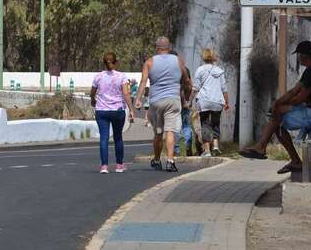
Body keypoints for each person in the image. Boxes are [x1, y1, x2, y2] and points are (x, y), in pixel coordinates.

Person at [240, 41, 311, 174]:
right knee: (277, 114)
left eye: (298, 55)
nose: (298, 58)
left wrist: (281, 105)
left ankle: (267, 149)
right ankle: (264, 147)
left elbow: (299, 99)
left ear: (303, 56)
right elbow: (293, 91)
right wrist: (278, 103)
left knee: (277, 119)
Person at [135, 37, 192, 173]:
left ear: (157, 48)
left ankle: (156, 159)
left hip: (156, 102)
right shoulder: (178, 61)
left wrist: (138, 99)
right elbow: (187, 81)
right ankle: (170, 161)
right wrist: (186, 98)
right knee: (170, 131)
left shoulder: (149, 62)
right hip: (173, 100)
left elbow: (143, 81)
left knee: (158, 133)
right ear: (169, 48)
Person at [90, 52, 135, 174]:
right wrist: (131, 109)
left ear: (103, 63)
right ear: (116, 62)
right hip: (117, 111)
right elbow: (126, 93)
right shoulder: (122, 76)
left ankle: (104, 166)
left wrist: (93, 100)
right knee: (118, 137)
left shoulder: (98, 76)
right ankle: (119, 165)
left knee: (104, 138)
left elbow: (92, 92)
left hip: (102, 111)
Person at [192, 48, 230, 157]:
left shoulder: (200, 70)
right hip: (217, 101)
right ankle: (216, 146)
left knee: (205, 124)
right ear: (213, 57)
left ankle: (207, 151)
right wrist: (226, 102)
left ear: (204, 57)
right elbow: (224, 88)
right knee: (215, 123)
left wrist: (190, 100)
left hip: (204, 101)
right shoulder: (219, 71)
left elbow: (196, 87)